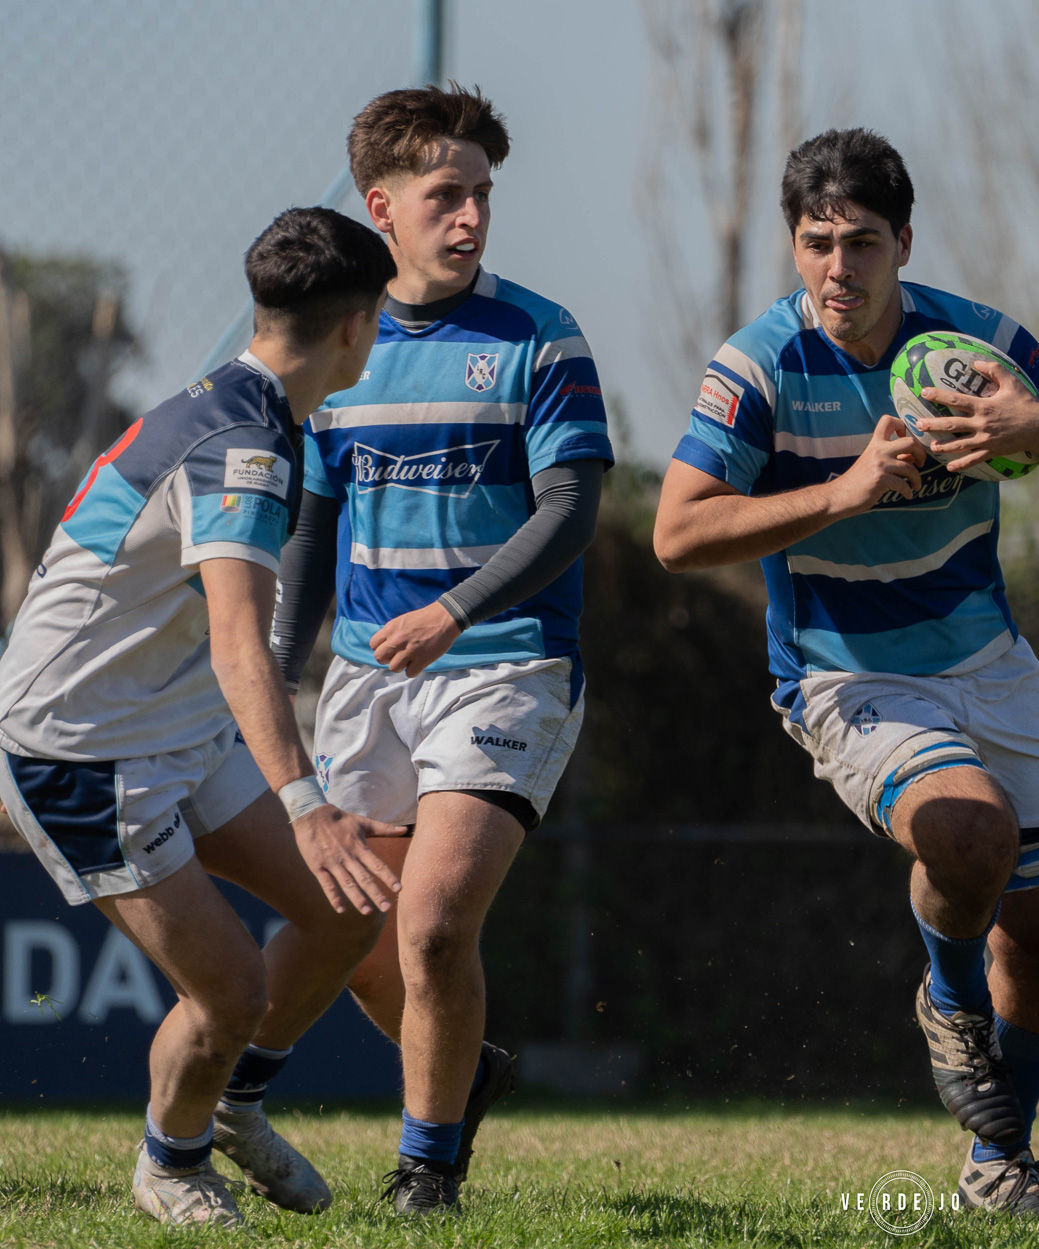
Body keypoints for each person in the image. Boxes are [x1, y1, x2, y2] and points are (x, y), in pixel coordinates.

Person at [653, 128, 1039, 1213]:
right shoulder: (759, 366)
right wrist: (841, 490)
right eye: (818, 243)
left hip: (987, 658)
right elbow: (677, 534)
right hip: (844, 670)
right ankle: (947, 996)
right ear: (793, 247)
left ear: (904, 242)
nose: (840, 268)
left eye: (863, 243)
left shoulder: (981, 346)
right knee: (970, 834)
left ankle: (997, 1169)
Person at [0, 208, 402, 1227]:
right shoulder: (245, 447)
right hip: (82, 751)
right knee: (229, 992)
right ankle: (171, 1166)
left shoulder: (241, 402)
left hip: (170, 724)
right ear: (358, 327)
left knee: (346, 911)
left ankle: (228, 1106)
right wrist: (308, 802)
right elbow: (238, 641)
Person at [270, 84, 611, 1215]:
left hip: (505, 659)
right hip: (371, 677)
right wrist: (274, 667)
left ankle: (427, 1172)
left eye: (482, 196)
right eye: (445, 196)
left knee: (433, 920)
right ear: (381, 206)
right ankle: (468, 1075)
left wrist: (458, 610)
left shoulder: (538, 334)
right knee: (355, 936)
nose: (471, 218)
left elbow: (570, 510)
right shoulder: (342, 347)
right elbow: (316, 529)